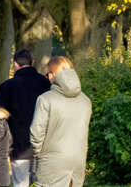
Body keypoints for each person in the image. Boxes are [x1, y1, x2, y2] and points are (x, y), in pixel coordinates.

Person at [31, 57, 92, 187]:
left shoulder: (45, 99)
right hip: (78, 159)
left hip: (51, 160)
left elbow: (36, 133)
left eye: (47, 75)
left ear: (53, 75)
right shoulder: (86, 101)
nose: (47, 78)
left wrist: (39, 153)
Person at [0, 49, 51, 187]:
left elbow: (1, 119)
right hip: (44, 144)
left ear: (15, 64)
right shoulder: (46, 84)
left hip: (18, 145)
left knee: (20, 183)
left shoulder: (6, 87)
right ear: (32, 62)